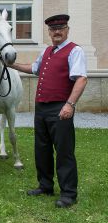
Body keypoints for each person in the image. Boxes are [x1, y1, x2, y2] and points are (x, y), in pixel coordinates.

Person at [8, 14, 87, 208]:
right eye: (53, 30)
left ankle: (69, 193)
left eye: (60, 28)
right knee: (41, 149)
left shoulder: (74, 51)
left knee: (64, 151)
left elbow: (81, 78)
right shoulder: (47, 51)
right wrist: (12, 65)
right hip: (42, 108)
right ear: (49, 32)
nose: (56, 32)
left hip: (61, 107)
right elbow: (34, 69)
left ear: (67, 29)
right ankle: (45, 186)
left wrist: (70, 104)